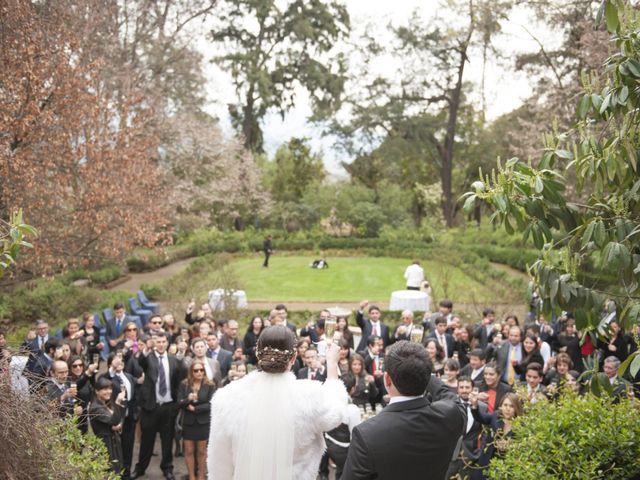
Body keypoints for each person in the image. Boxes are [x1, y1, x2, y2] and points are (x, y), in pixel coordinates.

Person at [207, 325, 348, 480]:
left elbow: (218, 465)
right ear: (294, 357)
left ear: (257, 354)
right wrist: (332, 364)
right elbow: (337, 413)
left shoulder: (226, 398)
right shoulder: (309, 397)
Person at [341, 341, 466, 480]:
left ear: (387, 379)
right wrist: (423, 372)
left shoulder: (366, 433)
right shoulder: (450, 416)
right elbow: (451, 398)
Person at [131, 332, 185, 480]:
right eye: (158, 342)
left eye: (163, 342)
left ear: (167, 343)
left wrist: (176, 404)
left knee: (167, 441)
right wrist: (146, 349)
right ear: (155, 343)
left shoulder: (174, 360)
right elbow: (141, 361)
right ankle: (140, 468)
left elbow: (179, 381)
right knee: (147, 440)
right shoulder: (148, 358)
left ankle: (167, 468)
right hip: (151, 407)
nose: (161, 344)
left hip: (168, 407)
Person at [469, 391, 523, 479]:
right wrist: (475, 405)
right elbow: (480, 417)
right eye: (505, 405)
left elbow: (524, 446)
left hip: (505, 468)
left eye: (511, 406)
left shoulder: (521, 426)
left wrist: (510, 446)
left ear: (517, 408)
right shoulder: (496, 416)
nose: (508, 409)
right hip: (486, 463)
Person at [178, 360, 216, 480]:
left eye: (201, 370)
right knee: (189, 451)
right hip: (188, 423)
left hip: (203, 423)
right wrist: (188, 399)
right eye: (196, 370)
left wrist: (195, 409)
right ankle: (192, 476)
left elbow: (212, 404)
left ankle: (201, 476)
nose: (199, 372)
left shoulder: (210, 385)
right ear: (191, 372)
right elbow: (179, 403)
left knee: (201, 451)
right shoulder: (184, 385)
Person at [90, 376, 126, 475]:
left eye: (110, 389)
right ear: (97, 391)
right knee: (109, 472)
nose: (109, 391)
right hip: (105, 445)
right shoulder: (95, 407)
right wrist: (118, 402)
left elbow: (116, 419)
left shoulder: (105, 403)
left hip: (112, 442)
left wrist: (117, 425)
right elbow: (114, 420)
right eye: (105, 389)